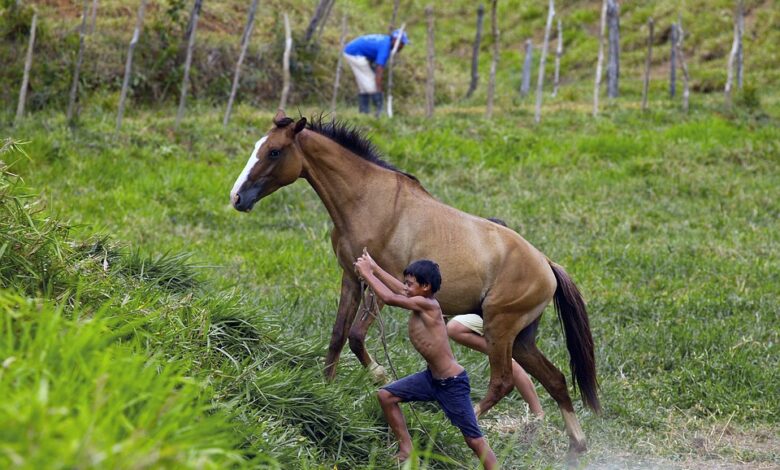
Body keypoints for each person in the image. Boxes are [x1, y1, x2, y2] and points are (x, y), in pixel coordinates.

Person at [354, 250, 497, 469]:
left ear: (426, 287)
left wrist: (367, 274)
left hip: (452, 384)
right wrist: (374, 267)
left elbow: (391, 298)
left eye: (411, 284)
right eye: (407, 283)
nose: (406, 287)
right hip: (431, 379)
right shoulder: (417, 296)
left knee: (473, 440)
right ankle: (406, 450)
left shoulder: (429, 305)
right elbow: (399, 290)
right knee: (386, 396)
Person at [448, 218, 545, 419]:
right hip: (492, 316)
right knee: (508, 360)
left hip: (501, 318)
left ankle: (538, 413)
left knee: (504, 360)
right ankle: (538, 413)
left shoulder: (509, 269)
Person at [343, 29, 408, 116]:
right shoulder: (385, 48)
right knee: (371, 84)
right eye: (402, 44)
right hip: (354, 54)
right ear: (395, 41)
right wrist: (379, 88)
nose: (402, 46)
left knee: (364, 83)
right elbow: (379, 69)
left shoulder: (386, 41)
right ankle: (379, 111)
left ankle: (364, 112)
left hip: (353, 50)